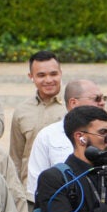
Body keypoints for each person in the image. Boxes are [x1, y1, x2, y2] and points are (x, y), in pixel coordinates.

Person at [9, 51, 66, 184]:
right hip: (30, 190)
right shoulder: (22, 111)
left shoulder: (74, 105)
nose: (48, 80)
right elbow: (16, 158)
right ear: (31, 76)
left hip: (67, 189)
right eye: (41, 75)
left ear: (60, 73)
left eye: (53, 74)